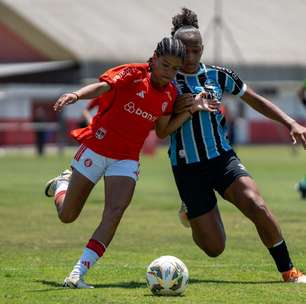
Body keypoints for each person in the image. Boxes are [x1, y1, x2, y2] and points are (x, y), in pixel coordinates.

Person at [44, 37, 209, 288]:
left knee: (114, 212)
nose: (169, 73)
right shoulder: (133, 73)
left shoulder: (170, 94)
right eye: (165, 65)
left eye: (175, 69)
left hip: (126, 159)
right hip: (95, 148)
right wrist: (76, 95)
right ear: (154, 58)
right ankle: (61, 186)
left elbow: (163, 131)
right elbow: (101, 87)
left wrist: (190, 110)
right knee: (67, 215)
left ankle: (77, 274)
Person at [162, 7, 306, 283]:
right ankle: (190, 211)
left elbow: (254, 100)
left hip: (222, 159)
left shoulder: (219, 75)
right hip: (186, 166)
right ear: (176, 49)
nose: (190, 57)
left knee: (257, 205)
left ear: (202, 49)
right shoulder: (164, 79)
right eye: (185, 51)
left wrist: (290, 123)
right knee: (214, 248)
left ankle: (289, 271)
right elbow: (157, 122)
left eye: (196, 50)